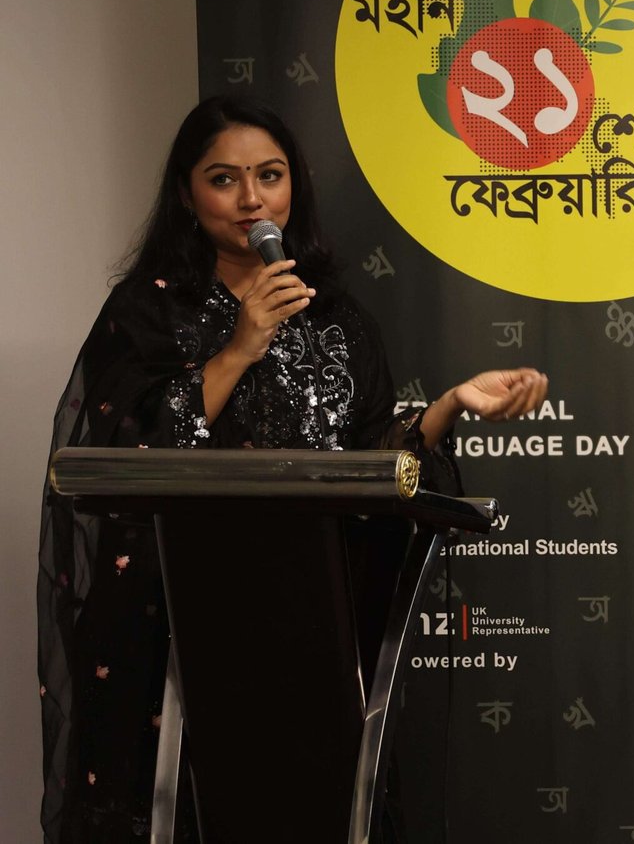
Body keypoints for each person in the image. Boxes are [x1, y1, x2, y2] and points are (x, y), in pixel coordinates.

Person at [36, 96, 548, 843]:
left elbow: (372, 461)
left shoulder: (337, 316)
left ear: (293, 187)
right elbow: (123, 452)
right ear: (186, 194)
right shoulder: (148, 310)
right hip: (174, 631)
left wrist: (447, 407)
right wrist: (239, 346)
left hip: (312, 621)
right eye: (224, 179)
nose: (252, 199)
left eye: (269, 176)